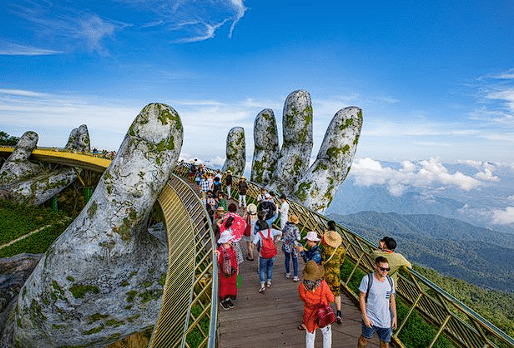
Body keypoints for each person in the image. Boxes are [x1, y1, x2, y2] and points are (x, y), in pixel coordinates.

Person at [358, 256, 397, 348]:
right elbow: (362, 298)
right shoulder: (367, 279)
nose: (385, 271)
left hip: (386, 320)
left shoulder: (390, 281)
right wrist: (365, 316)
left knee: (385, 344)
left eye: (387, 269)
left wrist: (394, 317)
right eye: (382, 268)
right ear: (376, 266)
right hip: (371, 317)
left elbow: (392, 299)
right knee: (364, 339)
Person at [298, 260, 335, 348]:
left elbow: (303, 299)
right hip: (323, 314)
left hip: (309, 315)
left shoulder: (302, 286)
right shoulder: (323, 284)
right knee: (327, 334)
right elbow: (332, 299)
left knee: (310, 336)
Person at [321, 221, 345, 324]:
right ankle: (339, 313)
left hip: (326, 274)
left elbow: (322, 262)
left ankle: (328, 313)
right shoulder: (341, 250)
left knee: (326, 293)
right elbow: (341, 262)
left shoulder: (325, 248)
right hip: (336, 274)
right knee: (337, 294)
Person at [252, 219, 282, 293]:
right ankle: (269, 282)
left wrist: (257, 246)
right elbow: (281, 232)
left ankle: (262, 286)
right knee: (270, 268)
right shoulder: (271, 231)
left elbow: (254, 242)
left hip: (263, 255)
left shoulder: (259, 233)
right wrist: (277, 239)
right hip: (272, 254)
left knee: (262, 270)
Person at [216, 230, 238, 310]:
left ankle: (228, 299)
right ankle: (223, 300)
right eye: (229, 239)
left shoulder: (231, 247)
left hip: (233, 271)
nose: (231, 241)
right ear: (225, 241)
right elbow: (219, 261)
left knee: (231, 284)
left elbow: (235, 259)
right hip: (225, 272)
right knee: (224, 285)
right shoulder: (221, 250)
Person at [282, 214, 301, 281]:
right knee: (295, 260)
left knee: (287, 259)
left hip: (286, 244)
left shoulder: (286, 226)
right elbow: (298, 238)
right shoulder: (296, 228)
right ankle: (295, 276)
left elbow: (283, 231)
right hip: (293, 246)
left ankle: (288, 273)